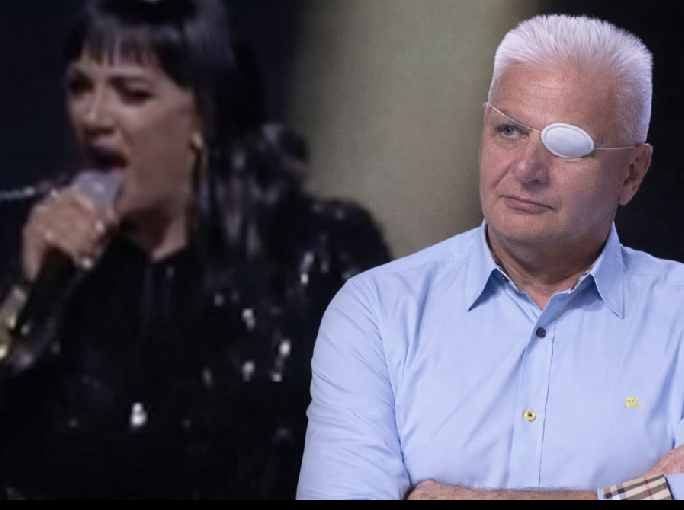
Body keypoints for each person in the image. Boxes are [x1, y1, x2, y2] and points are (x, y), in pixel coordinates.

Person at [0, 0, 390, 500]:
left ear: (205, 115)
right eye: (79, 87)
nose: (93, 116)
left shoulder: (314, 257)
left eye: (132, 93)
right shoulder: (28, 247)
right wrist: (29, 292)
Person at [297, 15, 684, 500]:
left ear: (632, 173)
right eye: (509, 130)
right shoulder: (376, 313)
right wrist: (646, 493)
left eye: (567, 145)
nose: (526, 168)